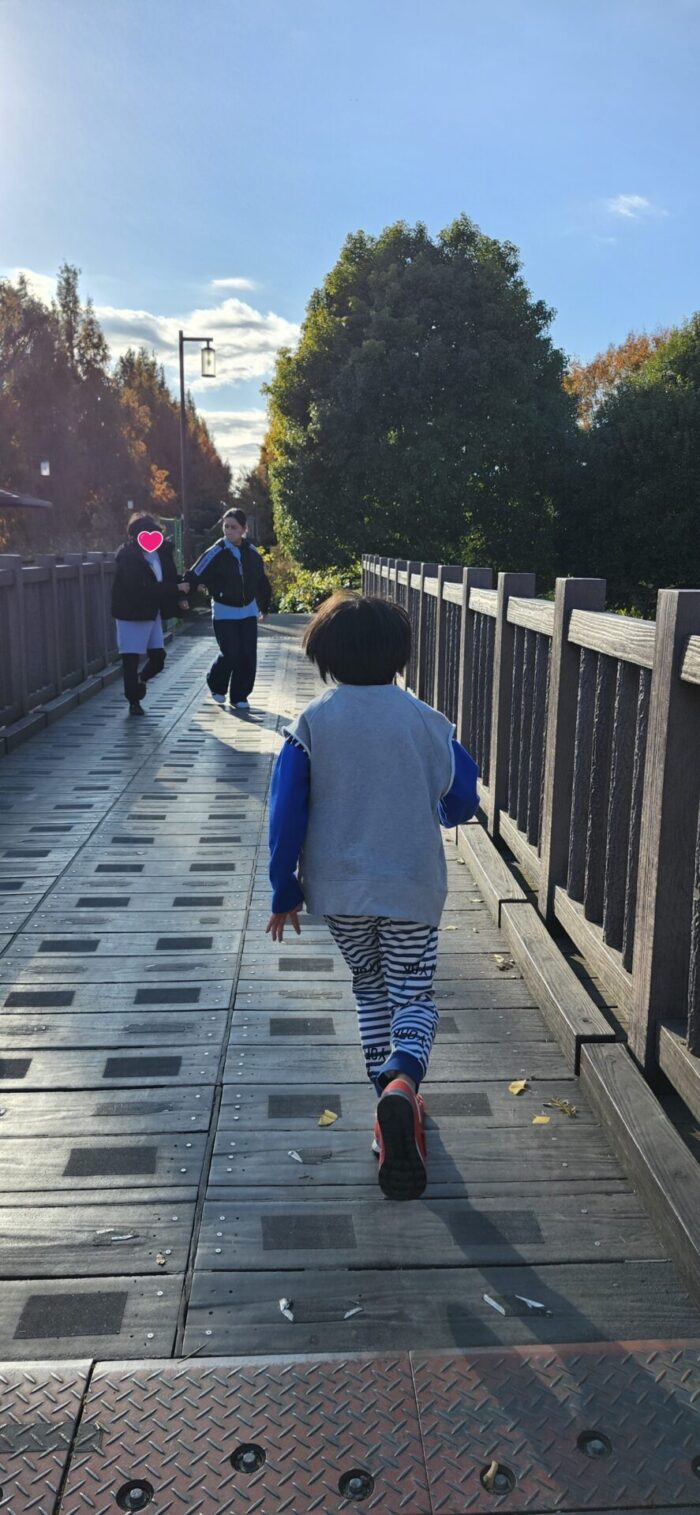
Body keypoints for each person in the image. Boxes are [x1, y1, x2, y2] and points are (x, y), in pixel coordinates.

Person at [266, 591, 479, 1201]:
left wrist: (285, 889)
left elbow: (285, 812)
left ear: (326, 657)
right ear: (399, 656)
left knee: (369, 987)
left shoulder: (312, 724)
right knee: (412, 990)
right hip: (410, 884)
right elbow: (462, 798)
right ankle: (403, 1082)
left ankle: (387, 1098)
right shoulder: (426, 721)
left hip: (339, 889)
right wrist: (436, 807)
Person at [184, 508, 272, 710]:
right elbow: (195, 574)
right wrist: (184, 597)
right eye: (226, 526)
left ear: (244, 529)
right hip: (224, 611)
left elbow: (261, 581)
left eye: (234, 527)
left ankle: (240, 696)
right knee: (230, 652)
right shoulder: (215, 552)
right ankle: (216, 684)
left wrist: (264, 607)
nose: (229, 531)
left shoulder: (252, 552)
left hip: (248, 611)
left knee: (247, 655)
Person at [111, 512, 188, 716]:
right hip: (131, 612)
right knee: (131, 659)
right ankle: (133, 701)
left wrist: (180, 594)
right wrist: (175, 589)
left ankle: (140, 680)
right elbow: (139, 589)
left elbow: (170, 577)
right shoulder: (127, 557)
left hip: (153, 611)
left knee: (158, 658)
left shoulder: (161, 553)